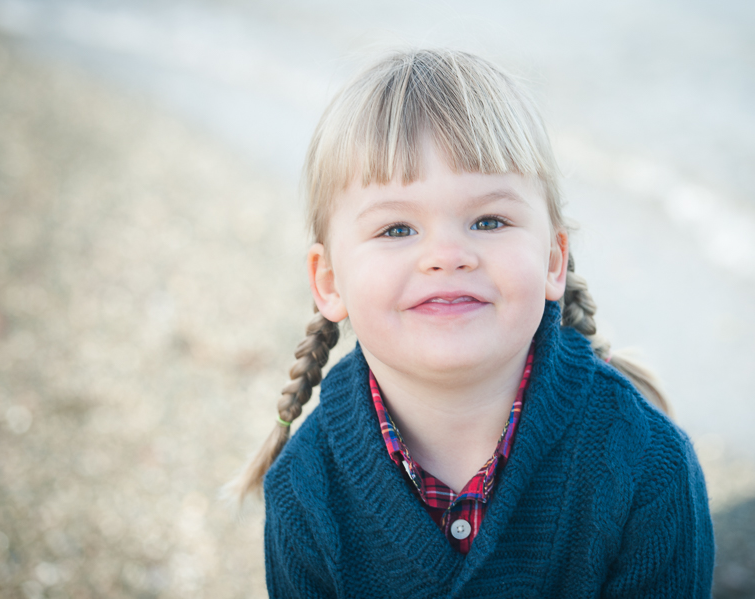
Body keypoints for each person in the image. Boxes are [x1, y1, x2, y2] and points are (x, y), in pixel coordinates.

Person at [230, 48, 714, 598]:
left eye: (489, 220)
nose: (447, 254)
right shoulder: (305, 490)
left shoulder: (649, 468)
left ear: (554, 260)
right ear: (330, 281)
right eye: (396, 229)